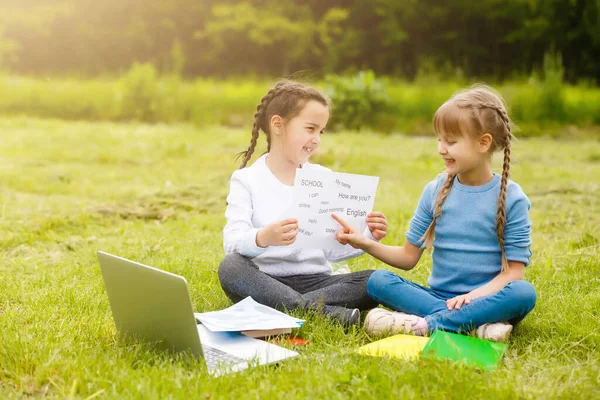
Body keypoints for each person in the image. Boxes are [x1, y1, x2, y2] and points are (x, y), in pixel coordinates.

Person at [332, 85, 536, 341]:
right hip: (436, 296)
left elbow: (513, 273)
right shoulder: (434, 190)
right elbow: (408, 257)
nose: (441, 148)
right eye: (439, 139)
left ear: (484, 142)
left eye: (451, 141)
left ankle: (424, 325)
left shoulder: (512, 198)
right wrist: (364, 242)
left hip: (486, 299)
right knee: (378, 281)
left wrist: (471, 299)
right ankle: (476, 326)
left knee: (523, 292)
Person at [218, 80, 387, 326]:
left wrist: (367, 235)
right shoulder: (247, 180)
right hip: (266, 280)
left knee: (375, 280)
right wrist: (263, 237)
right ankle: (323, 313)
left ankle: (296, 308)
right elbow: (232, 243)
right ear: (278, 124)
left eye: (321, 131)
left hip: (318, 282)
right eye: (310, 128)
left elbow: (333, 252)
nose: (317, 139)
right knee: (230, 267)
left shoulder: (323, 178)